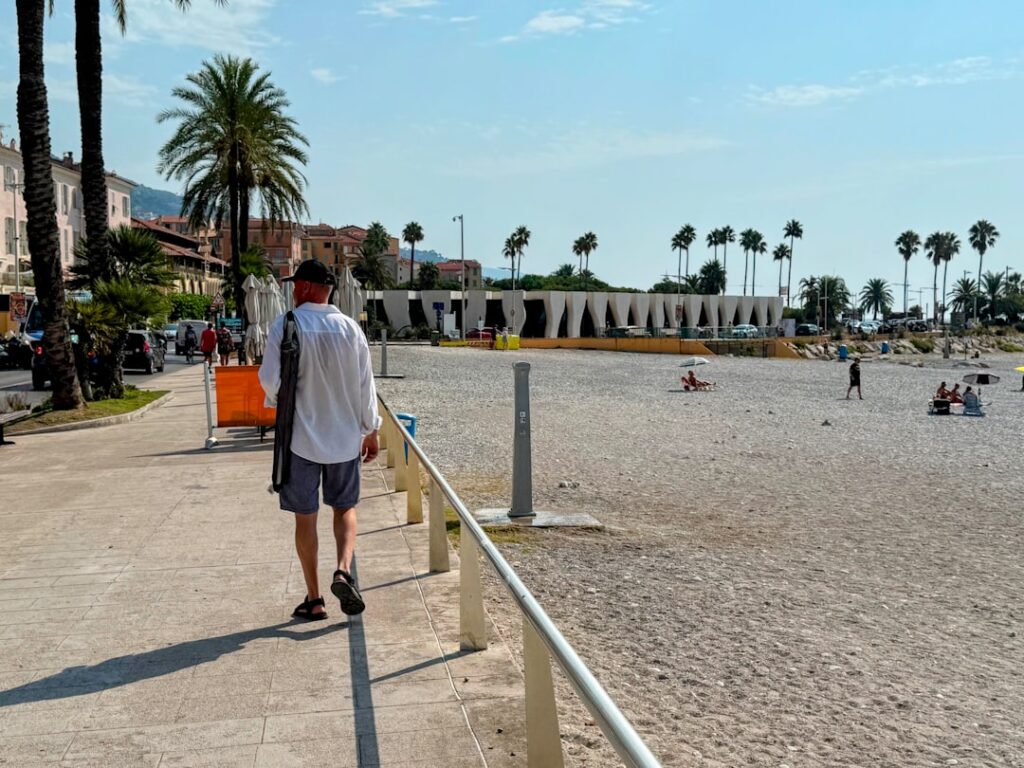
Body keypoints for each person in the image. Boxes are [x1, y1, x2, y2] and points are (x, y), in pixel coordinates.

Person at [259, 259, 380, 621]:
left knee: (305, 519)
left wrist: (284, 398)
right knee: (345, 509)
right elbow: (365, 385)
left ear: (309, 287)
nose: (293, 291)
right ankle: (343, 570)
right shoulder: (350, 329)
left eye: (296, 285)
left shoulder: (287, 324)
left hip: (301, 440)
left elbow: (269, 379)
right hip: (344, 438)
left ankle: (314, 599)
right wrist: (370, 430)